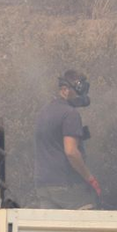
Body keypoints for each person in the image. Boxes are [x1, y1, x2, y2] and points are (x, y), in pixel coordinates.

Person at [33, 69, 100, 209]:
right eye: (79, 90)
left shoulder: (44, 112)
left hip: (43, 186)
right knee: (88, 210)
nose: (82, 95)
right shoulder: (70, 114)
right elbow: (71, 152)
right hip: (64, 183)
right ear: (65, 90)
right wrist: (90, 178)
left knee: (52, 228)